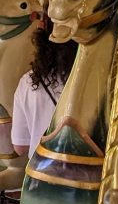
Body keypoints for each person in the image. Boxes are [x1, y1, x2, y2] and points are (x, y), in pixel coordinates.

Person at [11, 13, 78, 157]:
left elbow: (20, 147)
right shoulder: (90, 80)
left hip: (40, 173)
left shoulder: (26, 82)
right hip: (82, 173)